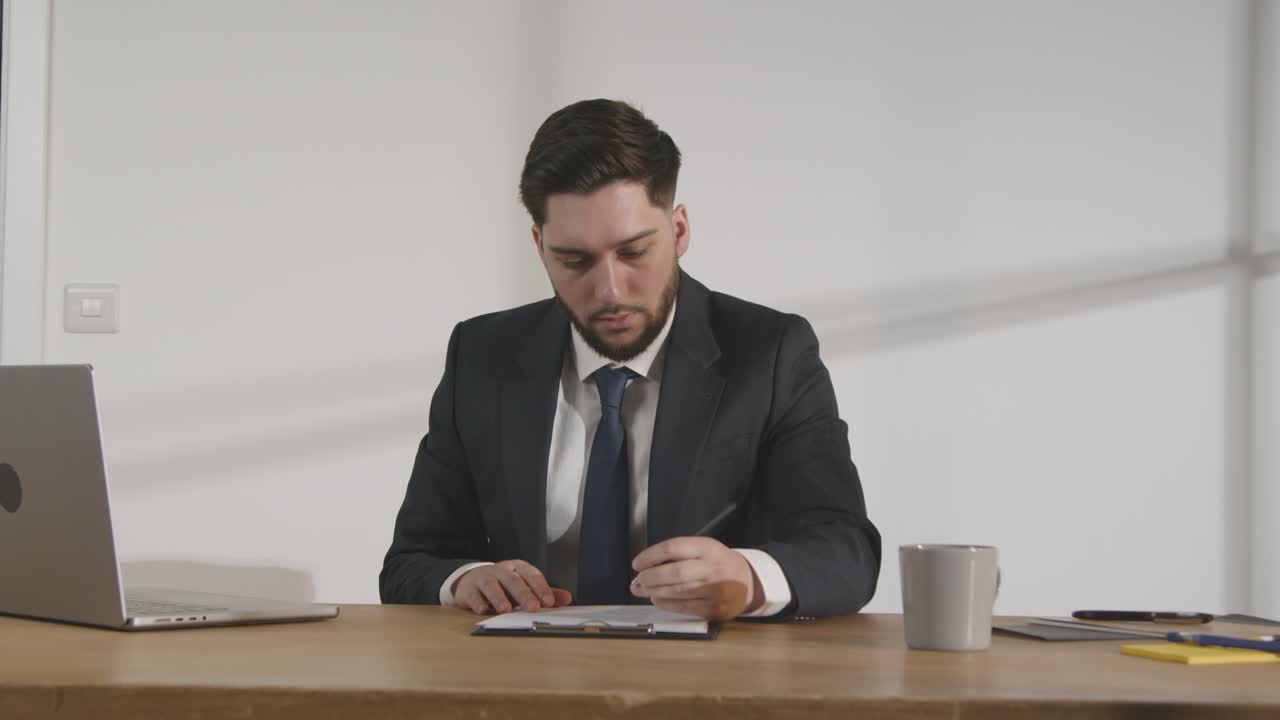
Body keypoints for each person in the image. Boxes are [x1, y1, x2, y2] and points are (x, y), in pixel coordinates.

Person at [380, 99, 880, 620]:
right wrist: (464, 579)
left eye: (635, 252)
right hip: (523, 685)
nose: (610, 290)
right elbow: (411, 562)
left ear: (679, 230)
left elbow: (847, 553)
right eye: (574, 261)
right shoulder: (482, 355)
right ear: (539, 247)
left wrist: (749, 579)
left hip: (708, 687)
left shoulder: (771, 353)